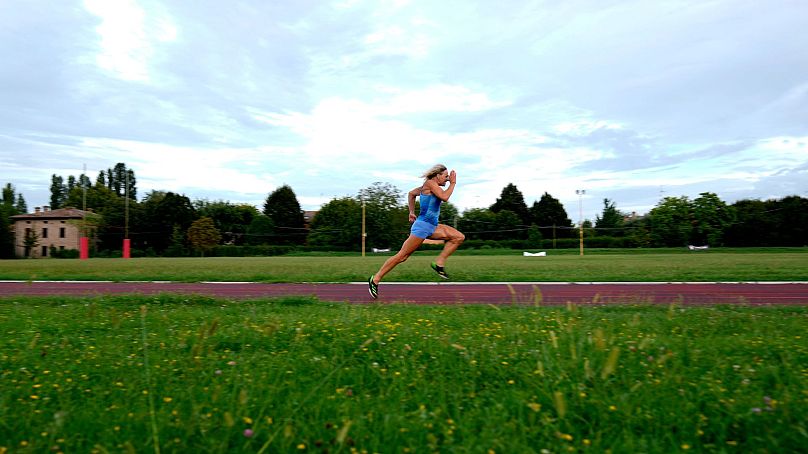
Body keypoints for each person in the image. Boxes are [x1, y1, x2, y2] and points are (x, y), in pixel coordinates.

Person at [368, 164, 465, 299]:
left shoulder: (428, 186)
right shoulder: (430, 183)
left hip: (433, 226)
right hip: (422, 227)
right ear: (437, 175)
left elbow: (411, 194)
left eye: (448, 177)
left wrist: (411, 212)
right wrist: (453, 183)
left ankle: (439, 264)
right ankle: (375, 279)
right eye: (445, 176)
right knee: (402, 256)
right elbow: (445, 197)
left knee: (458, 237)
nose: (447, 179)